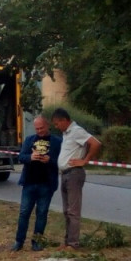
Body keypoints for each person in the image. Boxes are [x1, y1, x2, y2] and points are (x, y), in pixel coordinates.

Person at [51, 108, 101, 250]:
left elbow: (96, 143)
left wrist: (85, 160)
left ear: (64, 120)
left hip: (74, 174)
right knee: (66, 210)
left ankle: (73, 244)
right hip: (65, 173)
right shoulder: (67, 133)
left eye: (57, 123)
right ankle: (67, 241)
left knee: (73, 211)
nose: (56, 127)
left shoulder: (77, 131)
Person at [11, 115, 62, 252]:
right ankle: (19, 241)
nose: (39, 131)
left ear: (48, 125)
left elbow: (61, 161)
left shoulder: (57, 141)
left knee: (42, 213)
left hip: (46, 183)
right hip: (29, 182)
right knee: (24, 212)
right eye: (37, 128)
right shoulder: (29, 140)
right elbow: (21, 157)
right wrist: (31, 157)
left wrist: (50, 161)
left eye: (42, 128)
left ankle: (37, 242)